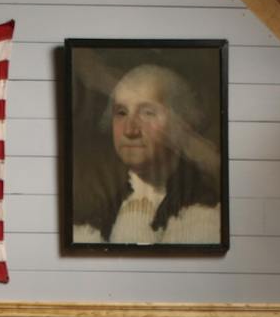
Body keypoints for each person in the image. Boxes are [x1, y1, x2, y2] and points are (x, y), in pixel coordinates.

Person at [71, 62, 223, 245]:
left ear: (180, 123)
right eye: (121, 113)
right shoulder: (97, 207)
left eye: (147, 113)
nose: (130, 130)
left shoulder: (204, 208)